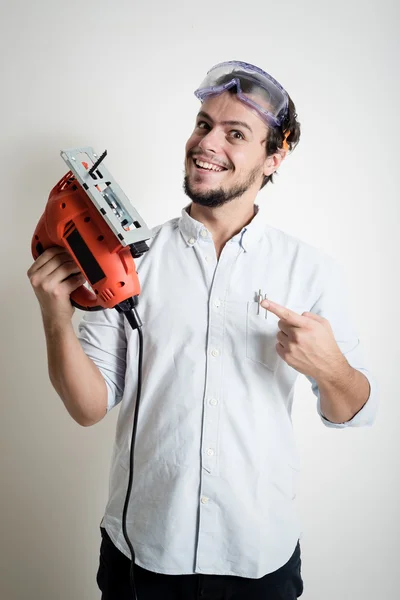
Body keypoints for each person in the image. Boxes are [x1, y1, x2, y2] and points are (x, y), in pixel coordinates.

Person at [27, 61, 379, 600]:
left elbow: (352, 411)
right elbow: (88, 407)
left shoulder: (311, 270)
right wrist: (55, 317)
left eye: (235, 134)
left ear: (273, 158)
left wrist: (330, 367)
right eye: (202, 124)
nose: (207, 142)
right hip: (142, 550)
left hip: (258, 557)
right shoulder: (123, 258)